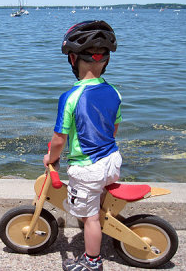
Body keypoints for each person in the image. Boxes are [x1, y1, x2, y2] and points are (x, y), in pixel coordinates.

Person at [43, 20, 122, 271]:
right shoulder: (114, 92)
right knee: (95, 204)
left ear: (73, 59)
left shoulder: (70, 97)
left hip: (88, 169)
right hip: (112, 160)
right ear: (105, 61)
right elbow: (112, 129)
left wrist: (50, 158)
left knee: (89, 218)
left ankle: (92, 262)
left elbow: (59, 139)